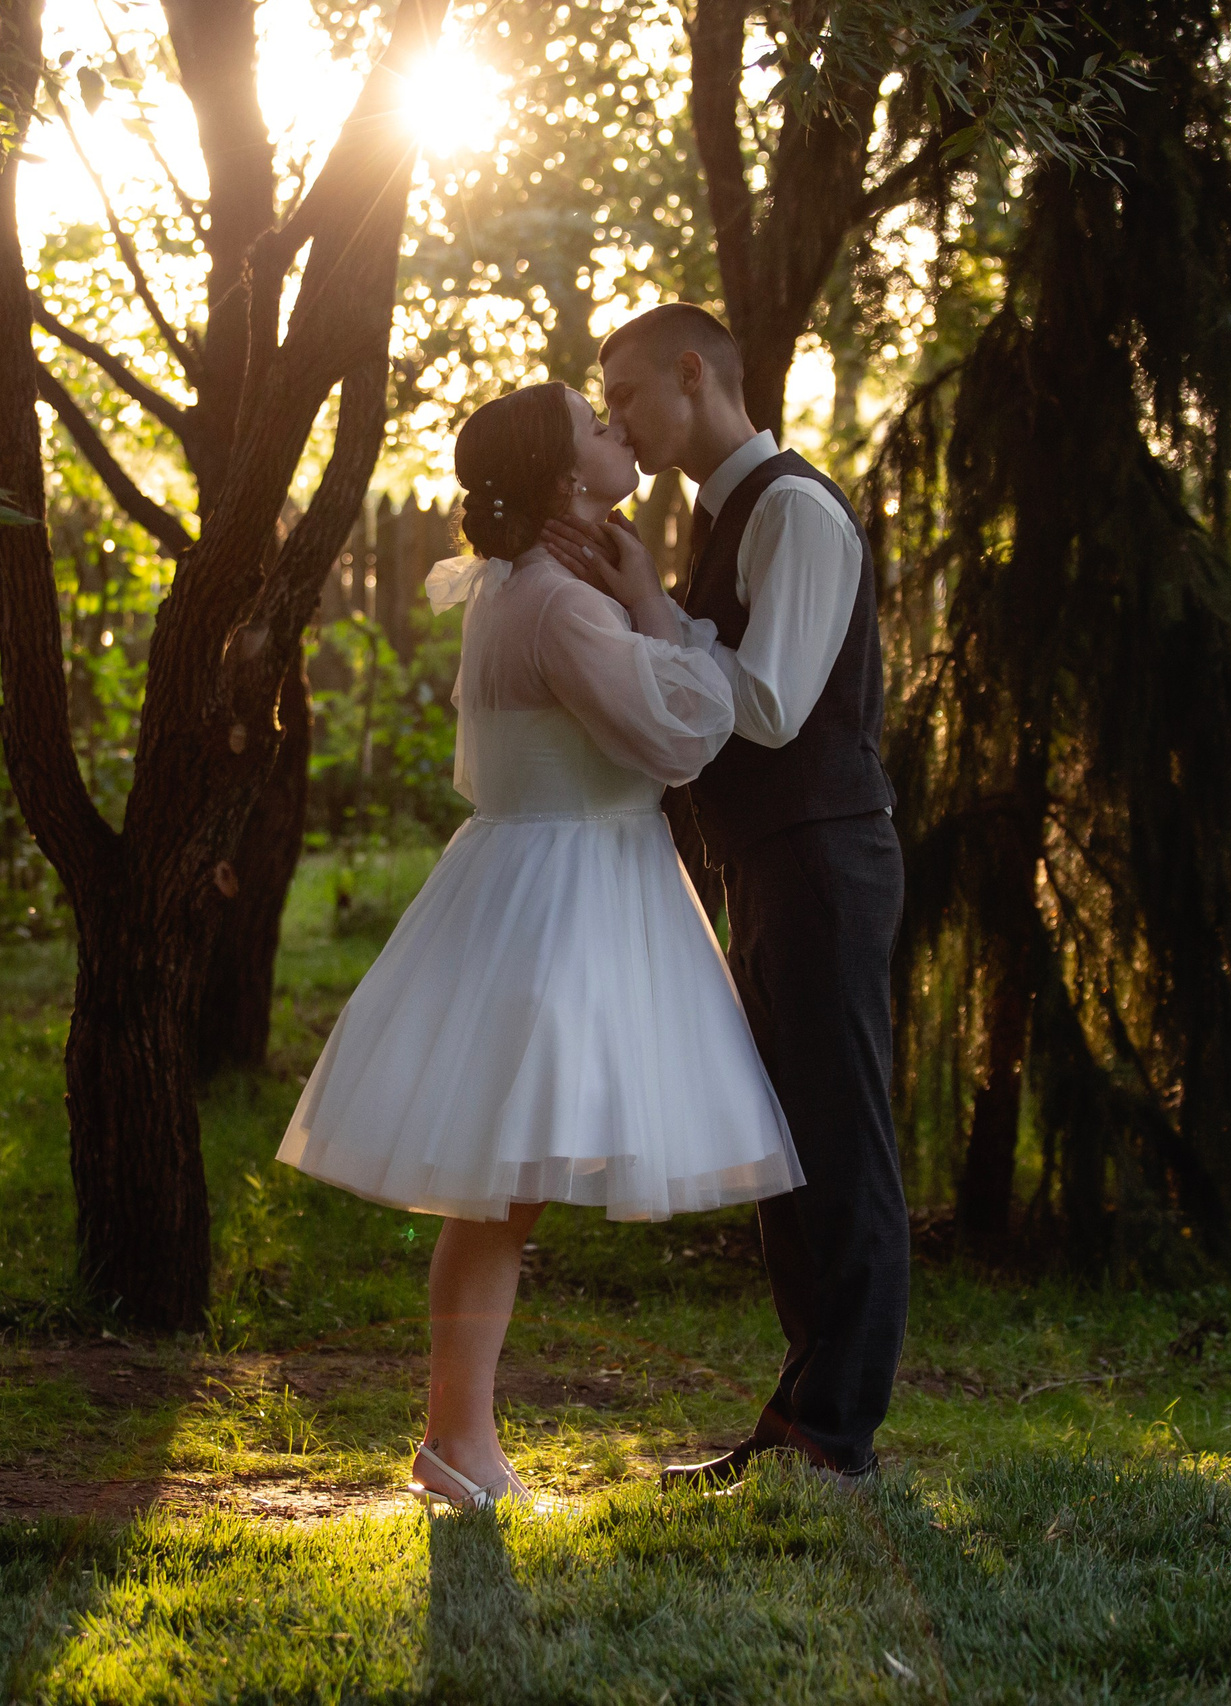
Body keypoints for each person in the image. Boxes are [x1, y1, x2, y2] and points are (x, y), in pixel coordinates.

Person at [276, 380, 801, 1511]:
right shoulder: (561, 605)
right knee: (498, 1193)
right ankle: (456, 1440)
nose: (621, 431)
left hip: (537, 880)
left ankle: (456, 1436)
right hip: (569, 893)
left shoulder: (529, 589)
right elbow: (680, 735)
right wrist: (661, 611)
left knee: (495, 1194)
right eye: (598, 429)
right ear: (569, 480)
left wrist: (638, 600)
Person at [541, 302, 908, 1490]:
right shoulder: (719, 519)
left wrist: (652, 621)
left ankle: (836, 1437)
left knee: (841, 1142)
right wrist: (654, 600)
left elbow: (765, 704)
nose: (619, 427)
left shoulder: (793, 509)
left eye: (626, 399)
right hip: (770, 857)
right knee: (789, 1147)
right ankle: (798, 1420)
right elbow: (720, 671)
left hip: (823, 856)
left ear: (691, 375)